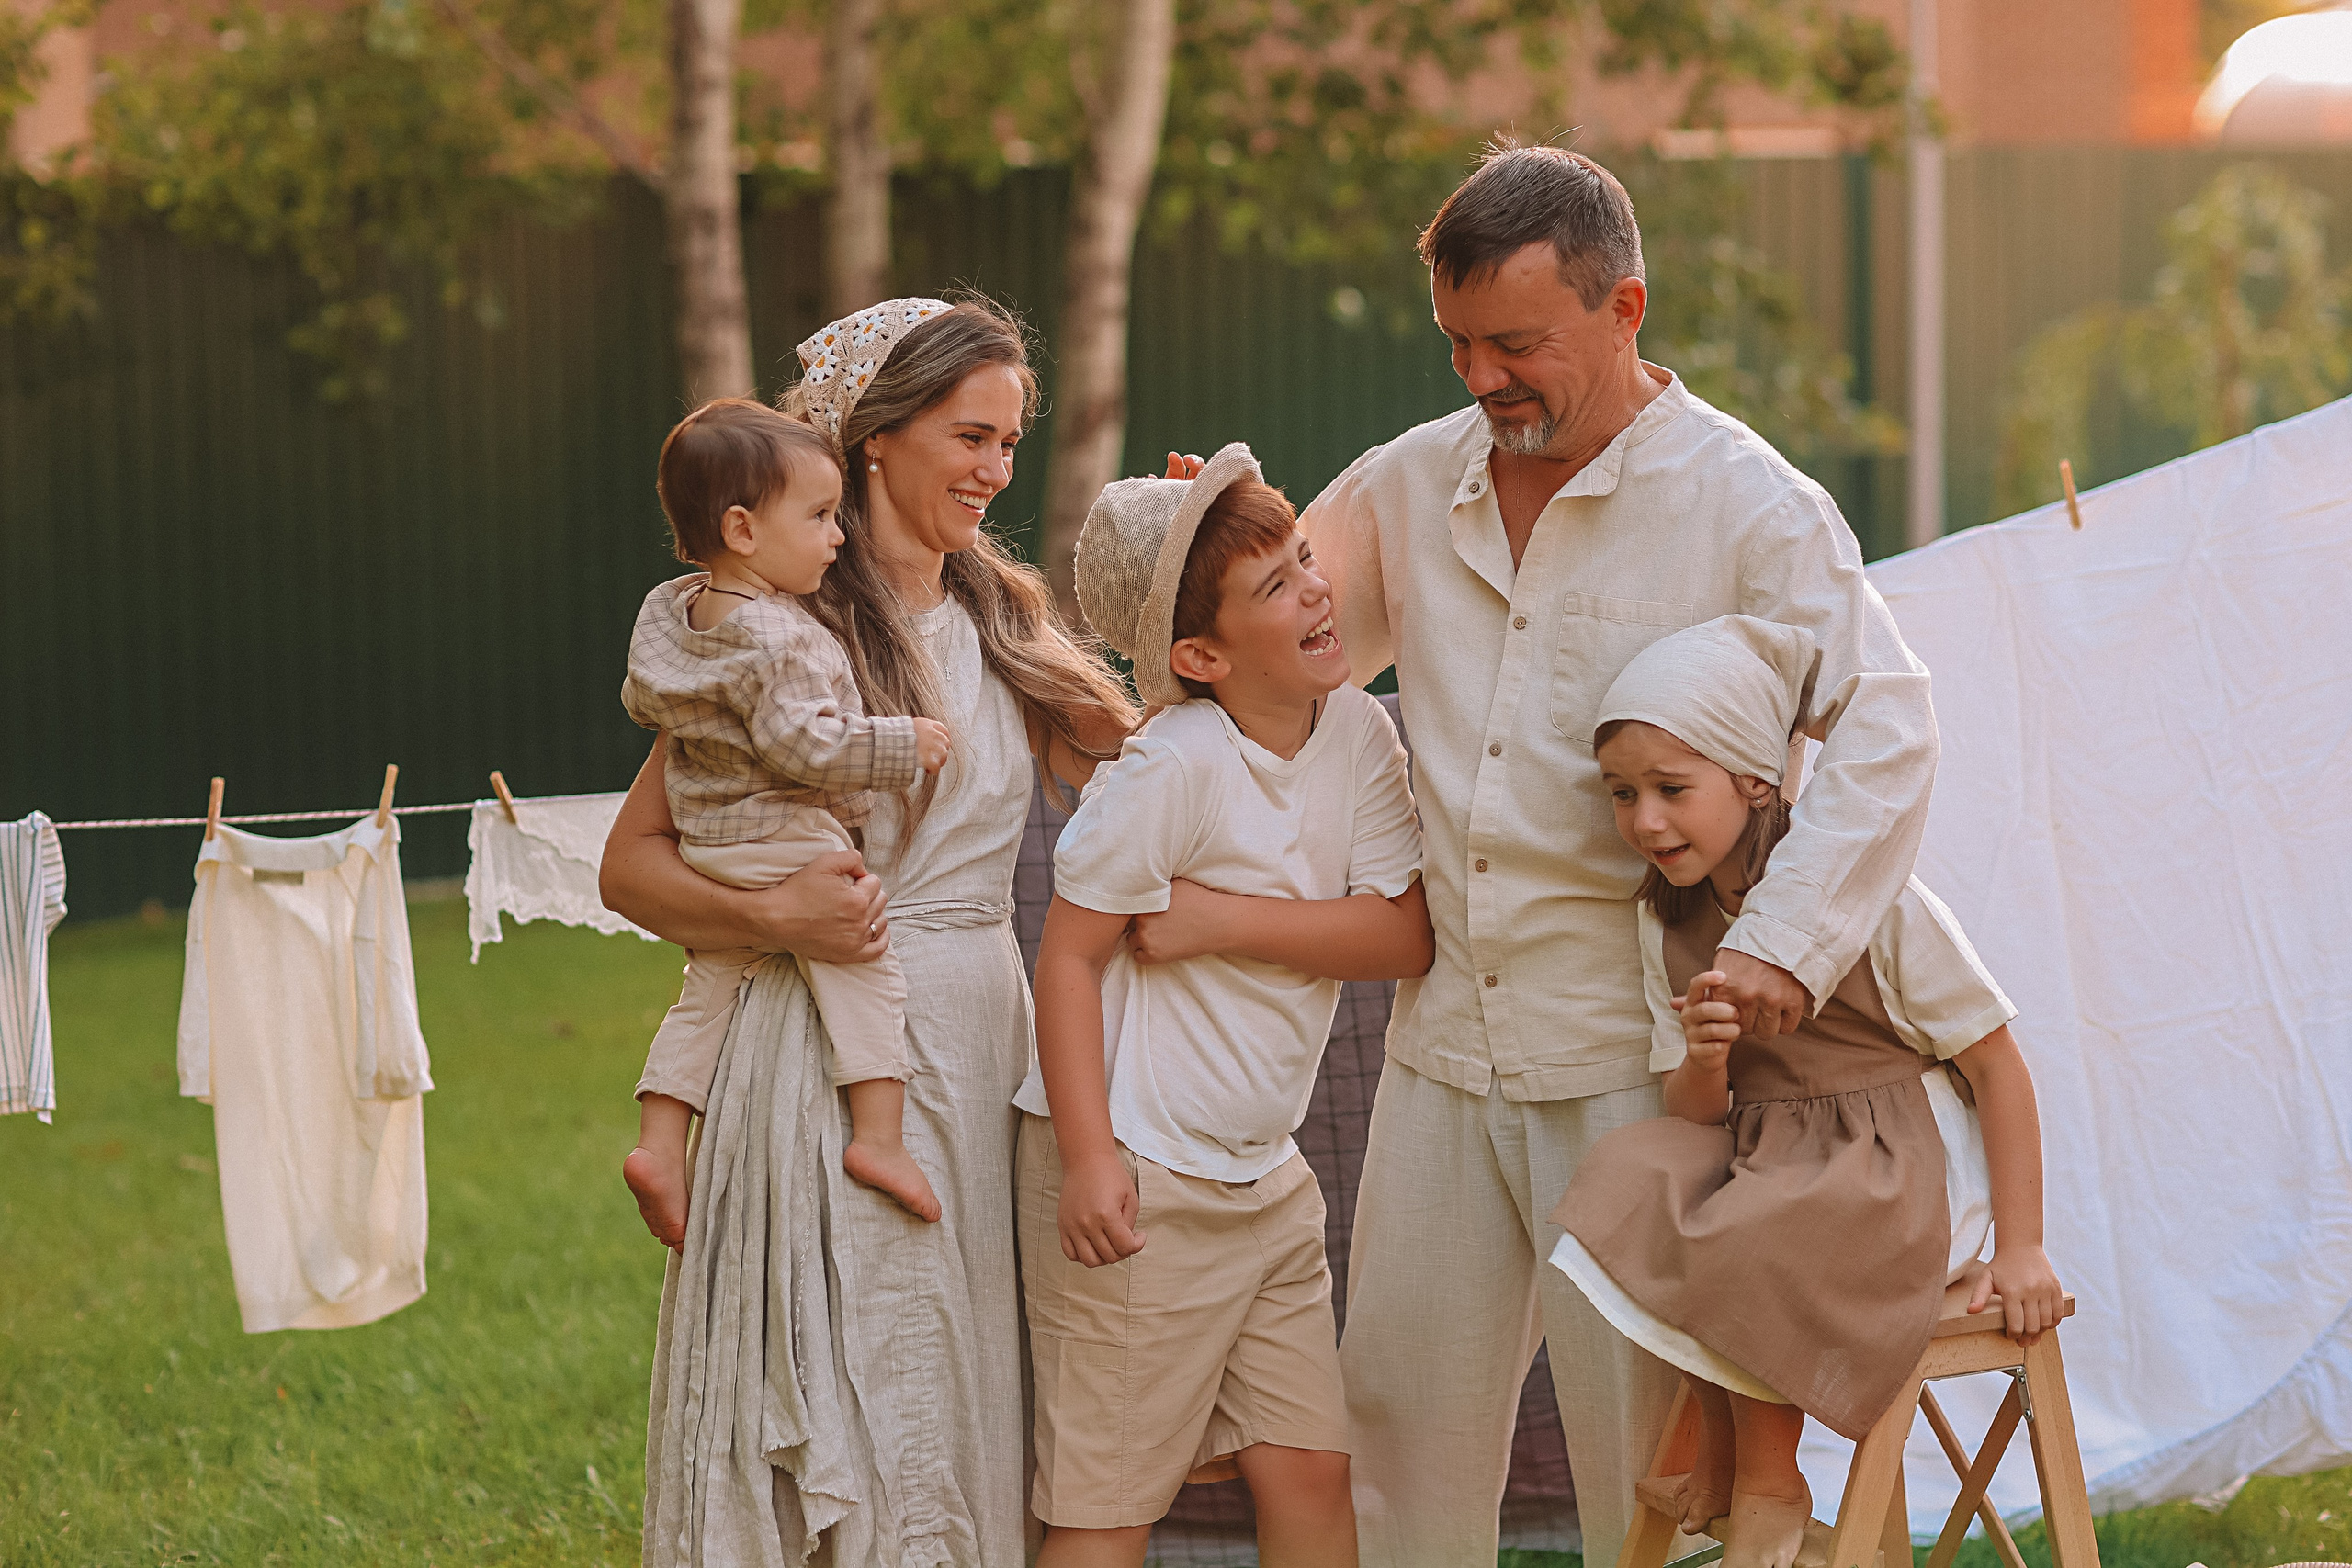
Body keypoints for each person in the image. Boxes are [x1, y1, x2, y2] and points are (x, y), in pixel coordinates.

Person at [1298, 143, 1939, 1567]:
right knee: (1397, 1426)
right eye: (1458, 342)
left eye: (1517, 343)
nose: (1481, 377)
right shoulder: (1408, 484)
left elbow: (1891, 724)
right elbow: (1280, 653)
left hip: (1641, 1065)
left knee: (1645, 1467)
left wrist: (1781, 941)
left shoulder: (1749, 506)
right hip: (1441, 1042)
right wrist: (1199, 577)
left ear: (1624, 306)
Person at [603, 295, 1136, 1567]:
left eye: (1010, 442)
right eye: (970, 435)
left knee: (955, 1375)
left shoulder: (1006, 622)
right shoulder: (781, 636)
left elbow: (1160, 759)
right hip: (821, 1044)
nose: (995, 470)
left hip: (980, 1027)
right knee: (851, 1364)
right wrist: (763, 909)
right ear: (873, 441)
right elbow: (632, 863)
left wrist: (1190, 548)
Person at [1549, 615, 2063, 1568]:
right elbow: (1694, 1116)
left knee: (1749, 1222)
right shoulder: (1667, 920)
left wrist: (2024, 1247)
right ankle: (1718, 1440)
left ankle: (1768, 1481)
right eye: (1622, 795)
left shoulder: (1877, 902)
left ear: (1754, 780)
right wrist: (1705, 1060)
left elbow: (1997, 1065)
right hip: (1773, 1154)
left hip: (1900, 1164)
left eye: (1670, 790)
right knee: (1636, 1170)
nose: (1644, 821)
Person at [1020, 445, 1431, 1568]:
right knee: (1107, 1509)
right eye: (1274, 587)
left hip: (1265, 1177)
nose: (1314, 588)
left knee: (1309, 1472)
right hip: (1138, 1175)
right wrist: (1091, 1158)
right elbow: (1065, 964)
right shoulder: (1172, 767)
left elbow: (1402, 934)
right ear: (1199, 655)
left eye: (1306, 560)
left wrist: (1217, 920)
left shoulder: (1357, 731)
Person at [619, 398, 950, 1243]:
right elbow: (806, 745)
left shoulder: (679, 614)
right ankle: (879, 1137)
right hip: (781, 834)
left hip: (709, 841)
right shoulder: (781, 638)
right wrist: (900, 744)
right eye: (817, 517)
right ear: (742, 528)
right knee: (863, 963)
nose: (836, 536)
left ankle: (661, 1138)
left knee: (710, 984)